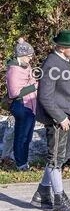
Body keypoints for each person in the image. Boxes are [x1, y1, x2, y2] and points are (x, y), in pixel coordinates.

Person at [33, 30, 70, 211]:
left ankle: (42, 193)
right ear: (62, 48)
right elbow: (45, 97)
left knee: (61, 157)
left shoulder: (63, 61)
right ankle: (59, 200)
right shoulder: (51, 63)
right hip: (58, 120)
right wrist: (60, 117)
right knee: (56, 159)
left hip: (67, 117)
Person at [6, 38, 37, 171]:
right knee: (22, 136)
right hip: (21, 105)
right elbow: (14, 92)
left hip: (30, 105)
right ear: (22, 55)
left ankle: (24, 161)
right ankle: (21, 164)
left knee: (27, 136)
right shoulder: (14, 69)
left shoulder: (26, 66)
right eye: (29, 56)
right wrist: (34, 86)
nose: (30, 59)